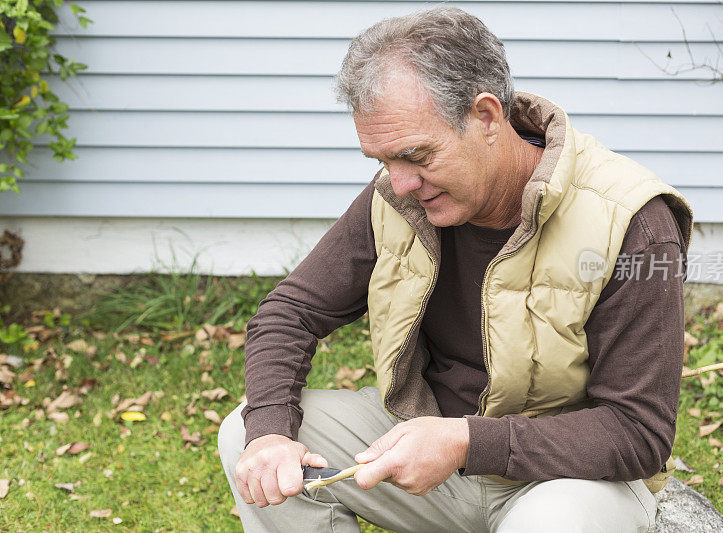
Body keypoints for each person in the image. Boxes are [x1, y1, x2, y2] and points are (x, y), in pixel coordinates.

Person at [218, 6, 693, 532]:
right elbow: (290, 311)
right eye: (382, 161)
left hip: (565, 481)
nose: (400, 184)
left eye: (416, 155)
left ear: (487, 117)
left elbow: (638, 433)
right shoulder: (399, 200)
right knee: (245, 432)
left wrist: (466, 441)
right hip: (431, 457)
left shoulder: (632, 222)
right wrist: (269, 433)